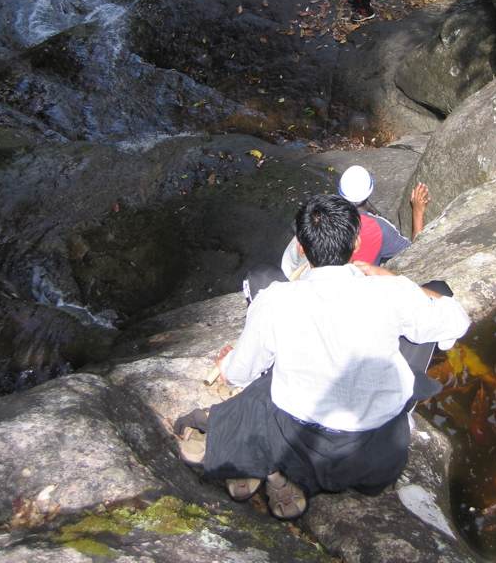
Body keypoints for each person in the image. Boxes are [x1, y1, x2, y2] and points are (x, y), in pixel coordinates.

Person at [177, 195, 470, 520]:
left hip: (300, 443)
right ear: (356, 241)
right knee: (438, 291)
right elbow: (457, 320)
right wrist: (392, 279)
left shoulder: (277, 301)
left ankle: (259, 460)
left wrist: (226, 366)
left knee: (260, 394)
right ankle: (283, 471)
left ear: (301, 246)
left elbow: (241, 373)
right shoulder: (391, 293)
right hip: (380, 457)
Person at [281, 165, 430, 281]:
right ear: (356, 243)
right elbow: (415, 254)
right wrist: (417, 211)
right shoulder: (380, 228)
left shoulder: (315, 219)